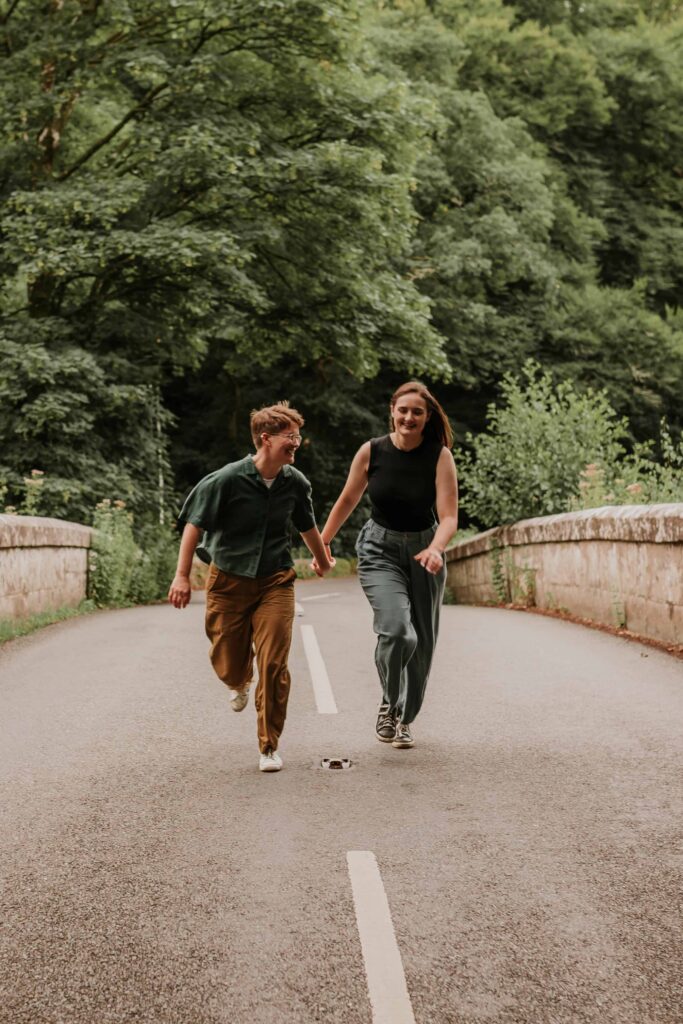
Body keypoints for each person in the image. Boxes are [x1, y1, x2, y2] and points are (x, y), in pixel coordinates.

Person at [168, 402, 332, 773]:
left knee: (273, 662)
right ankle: (238, 681)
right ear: (265, 438)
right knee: (227, 657)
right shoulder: (226, 480)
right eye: (290, 436)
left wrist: (322, 560)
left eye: (298, 436)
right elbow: (194, 525)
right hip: (228, 580)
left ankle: (269, 745)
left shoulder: (295, 482)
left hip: (276, 580)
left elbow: (307, 526)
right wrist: (181, 575)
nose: (297, 443)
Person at [314, 381, 457, 749]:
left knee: (421, 644)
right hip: (379, 549)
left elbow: (449, 516)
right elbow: (348, 499)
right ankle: (389, 704)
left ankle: (405, 719)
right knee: (397, 631)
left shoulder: (439, 456)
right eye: (403, 410)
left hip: (425, 552)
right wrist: (322, 543)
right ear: (392, 411)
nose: (409, 417)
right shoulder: (372, 451)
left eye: (417, 412)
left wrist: (436, 549)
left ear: (427, 417)